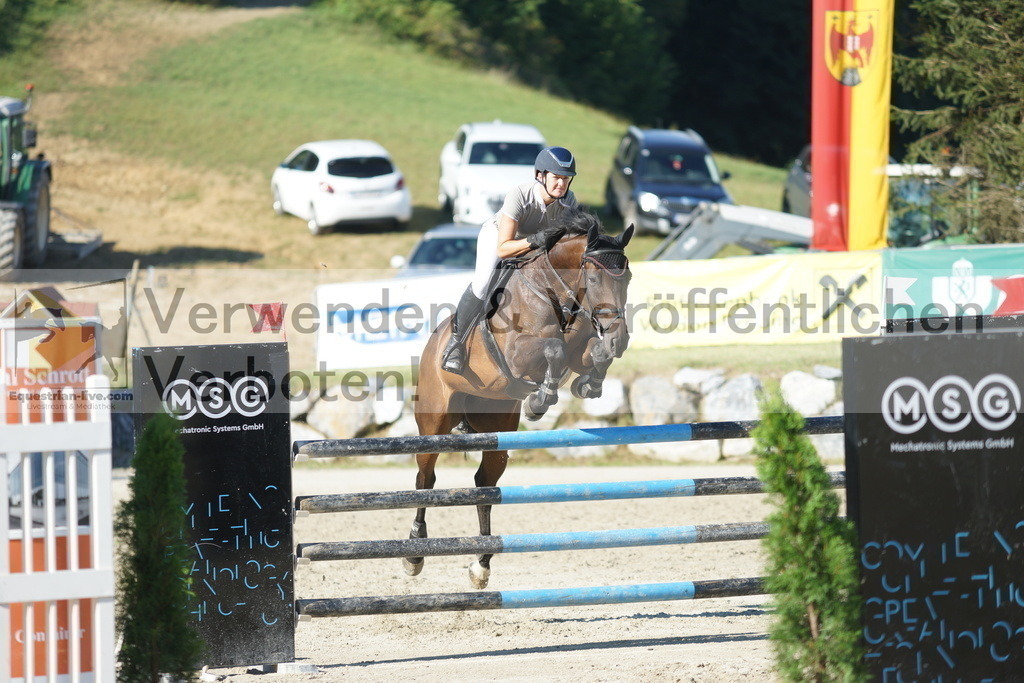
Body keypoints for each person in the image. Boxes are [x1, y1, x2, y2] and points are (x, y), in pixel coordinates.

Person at [441, 146, 580, 374]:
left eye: (566, 179)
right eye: (556, 177)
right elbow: (504, 249)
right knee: (483, 284)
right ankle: (456, 343)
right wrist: (535, 240)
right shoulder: (520, 195)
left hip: (536, 245)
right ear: (540, 175)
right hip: (499, 238)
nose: (561, 184)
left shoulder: (569, 201)